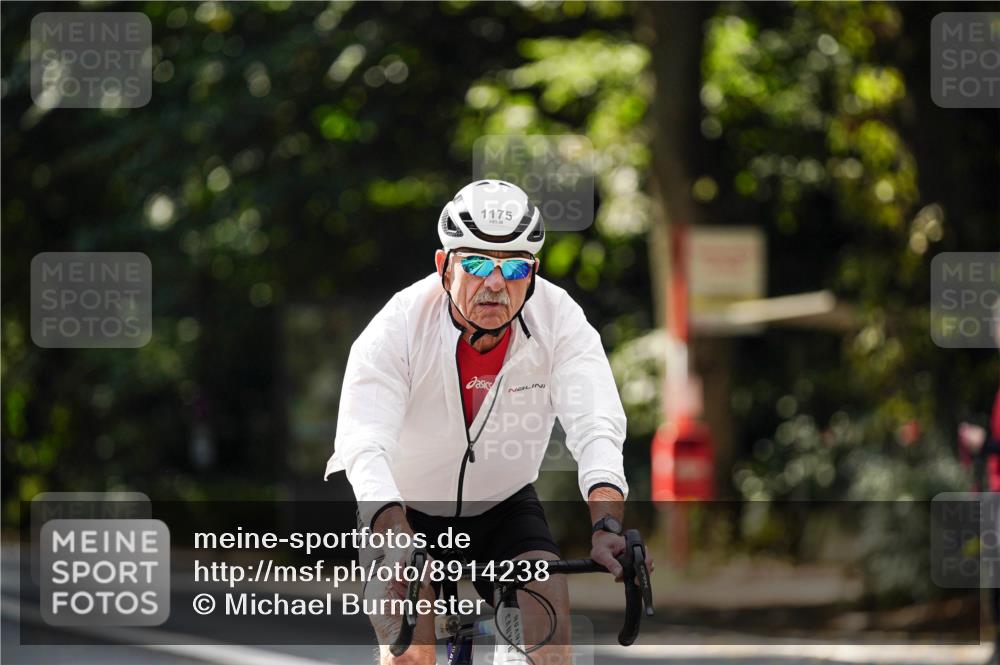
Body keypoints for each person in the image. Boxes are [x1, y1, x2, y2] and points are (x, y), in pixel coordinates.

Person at [325, 179, 652, 665]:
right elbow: (363, 442)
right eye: (477, 264)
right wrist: (393, 533)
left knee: (551, 635)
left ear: (533, 272)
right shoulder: (398, 325)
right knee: (411, 654)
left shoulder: (559, 320)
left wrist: (606, 523)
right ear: (444, 266)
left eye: (515, 267)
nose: (496, 283)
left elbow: (596, 424)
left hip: (504, 505)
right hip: (403, 510)